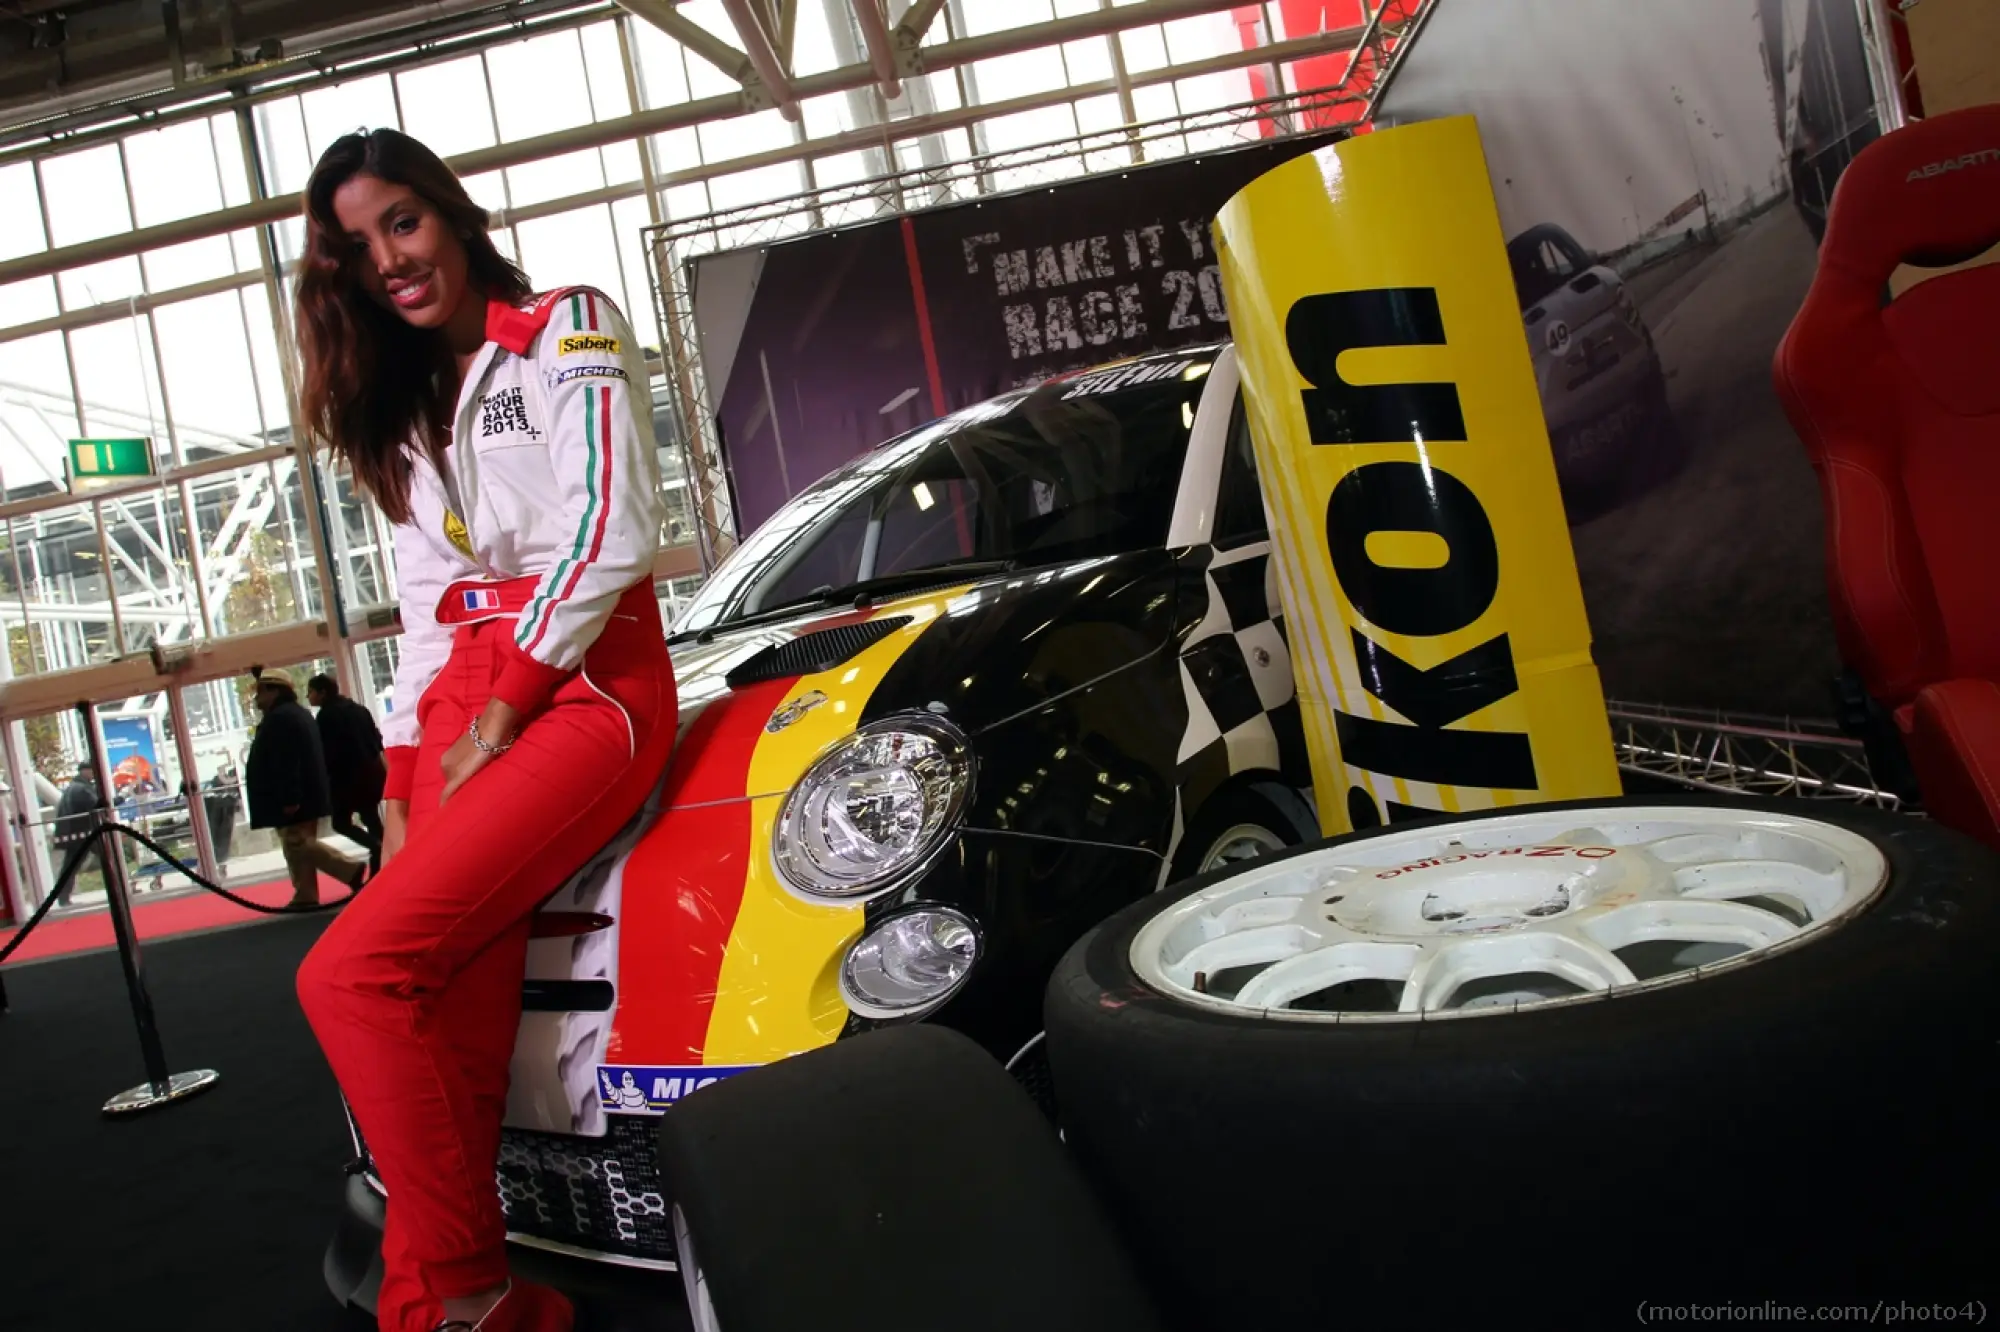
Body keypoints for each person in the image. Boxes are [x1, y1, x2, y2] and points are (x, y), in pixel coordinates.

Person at [290, 128, 676, 1332]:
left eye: (401, 222)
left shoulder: (568, 324)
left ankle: (460, 1283)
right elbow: (417, 615)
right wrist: (401, 777)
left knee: (349, 971)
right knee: (443, 995)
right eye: (358, 249)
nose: (390, 261)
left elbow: (610, 528)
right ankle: (446, 1310)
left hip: (579, 686)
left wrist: (507, 699)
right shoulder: (404, 405)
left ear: (451, 215)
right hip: (461, 694)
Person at [246, 671, 367, 908]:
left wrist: (290, 797)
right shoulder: (294, 714)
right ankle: (305, 894)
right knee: (296, 847)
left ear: (274, 691)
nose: (256, 699)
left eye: (260, 692)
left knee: (297, 843)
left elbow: (286, 761)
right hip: (304, 795)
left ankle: (348, 869)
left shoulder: (281, 719)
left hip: (295, 798)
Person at [309, 672, 388, 875]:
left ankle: (378, 849)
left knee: (341, 822)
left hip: (348, 780)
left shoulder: (326, 716)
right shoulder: (359, 709)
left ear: (322, 693)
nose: (308, 697)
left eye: (311, 692)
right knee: (371, 818)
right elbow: (377, 741)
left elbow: (327, 753)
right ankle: (382, 865)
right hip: (373, 773)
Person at [49, 764, 107, 907]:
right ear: (85, 771)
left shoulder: (73, 787)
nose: (93, 774)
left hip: (74, 833)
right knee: (109, 856)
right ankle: (119, 885)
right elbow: (95, 806)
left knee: (71, 865)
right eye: (92, 770)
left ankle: (63, 896)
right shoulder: (82, 789)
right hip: (84, 833)